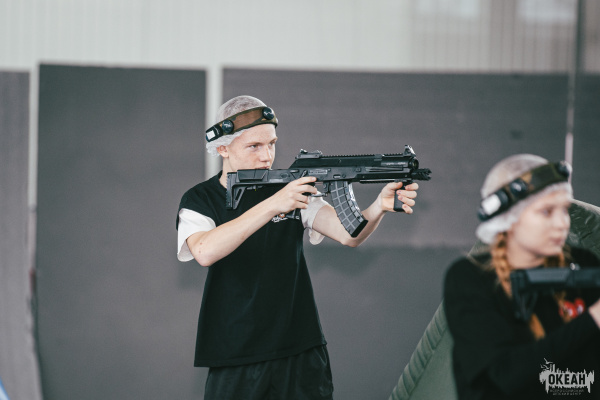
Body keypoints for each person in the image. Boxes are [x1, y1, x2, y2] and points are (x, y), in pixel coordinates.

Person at [176, 95, 419, 400]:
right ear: (223, 148)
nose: (267, 156)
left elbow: (349, 235)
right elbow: (204, 251)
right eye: (254, 146)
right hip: (235, 354)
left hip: (300, 349)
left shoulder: (293, 191)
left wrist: (379, 207)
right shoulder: (200, 199)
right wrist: (273, 204)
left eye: (271, 144)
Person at [444, 154, 600, 400]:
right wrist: (592, 318)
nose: (562, 223)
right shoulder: (469, 278)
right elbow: (507, 375)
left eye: (564, 210)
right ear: (510, 218)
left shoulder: (582, 263)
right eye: (546, 211)